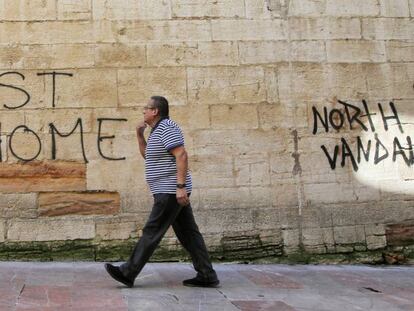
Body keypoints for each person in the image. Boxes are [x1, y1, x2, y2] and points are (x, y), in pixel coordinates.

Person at [104, 96, 220, 288]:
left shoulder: (167, 127)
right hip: (168, 190)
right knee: (189, 234)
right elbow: (148, 155)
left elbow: (181, 154)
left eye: (146, 108)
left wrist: (180, 188)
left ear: (155, 111)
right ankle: (207, 274)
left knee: (152, 230)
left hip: (170, 191)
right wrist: (139, 135)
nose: (143, 111)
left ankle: (128, 272)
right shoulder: (157, 131)